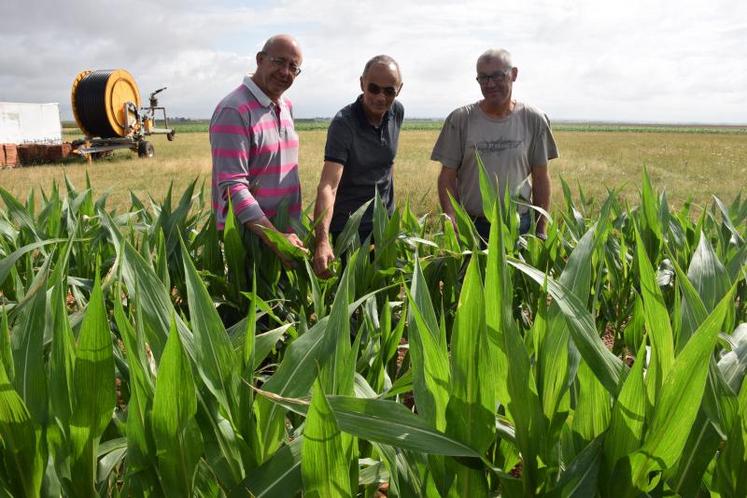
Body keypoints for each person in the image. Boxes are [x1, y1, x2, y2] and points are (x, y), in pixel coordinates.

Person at [431, 48, 558, 241]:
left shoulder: (534, 119)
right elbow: (446, 178)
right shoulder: (460, 120)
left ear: (513, 74)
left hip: (519, 226)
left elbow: (541, 177)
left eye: (498, 76)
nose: (490, 84)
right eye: (483, 78)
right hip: (472, 226)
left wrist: (540, 230)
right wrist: (451, 217)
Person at [210, 34, 306, 267]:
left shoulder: (286, 106)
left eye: (293, 67)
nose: (285, 72)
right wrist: (274, 239)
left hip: (285, 236)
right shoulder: (234, 109)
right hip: (250, 242)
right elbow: (233, 187)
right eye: (279, 62)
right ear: (260, 59)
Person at [312, 55, 404, 278]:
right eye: (373, 88)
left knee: (383, 296)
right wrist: (322, 241)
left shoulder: (396, 112)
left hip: (384, 227)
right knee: (351, 301)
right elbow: (328, 186)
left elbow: (387, 166)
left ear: (399, 90)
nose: (381, 97)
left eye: (389, 91)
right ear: (362, 83)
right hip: (350, 230)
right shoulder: (344, 123)